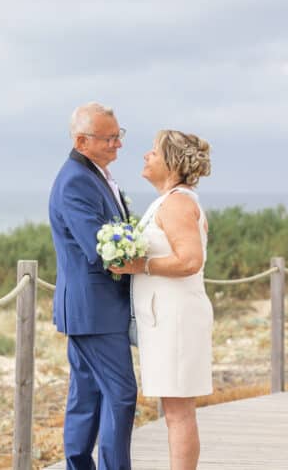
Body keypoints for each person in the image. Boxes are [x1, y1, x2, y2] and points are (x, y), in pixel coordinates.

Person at [116, 129, 213, 470]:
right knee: (176, 410)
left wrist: (140, 264)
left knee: (178, 412)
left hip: (176, 321)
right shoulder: (171, 200)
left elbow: (190, 260)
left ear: (171, 163)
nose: (146, 156)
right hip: (168, 319)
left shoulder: (177, 203)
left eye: (153, 152)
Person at [49, 102, 137, 470]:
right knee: (121, 395)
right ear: (83, 141)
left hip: (93, 309)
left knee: (87, 397)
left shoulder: (92, 174)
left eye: (120, 135)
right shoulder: (75, 181)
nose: (118, 144)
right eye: (110, 138)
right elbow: (99, 249)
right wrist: (153, 265)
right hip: (94, 310)